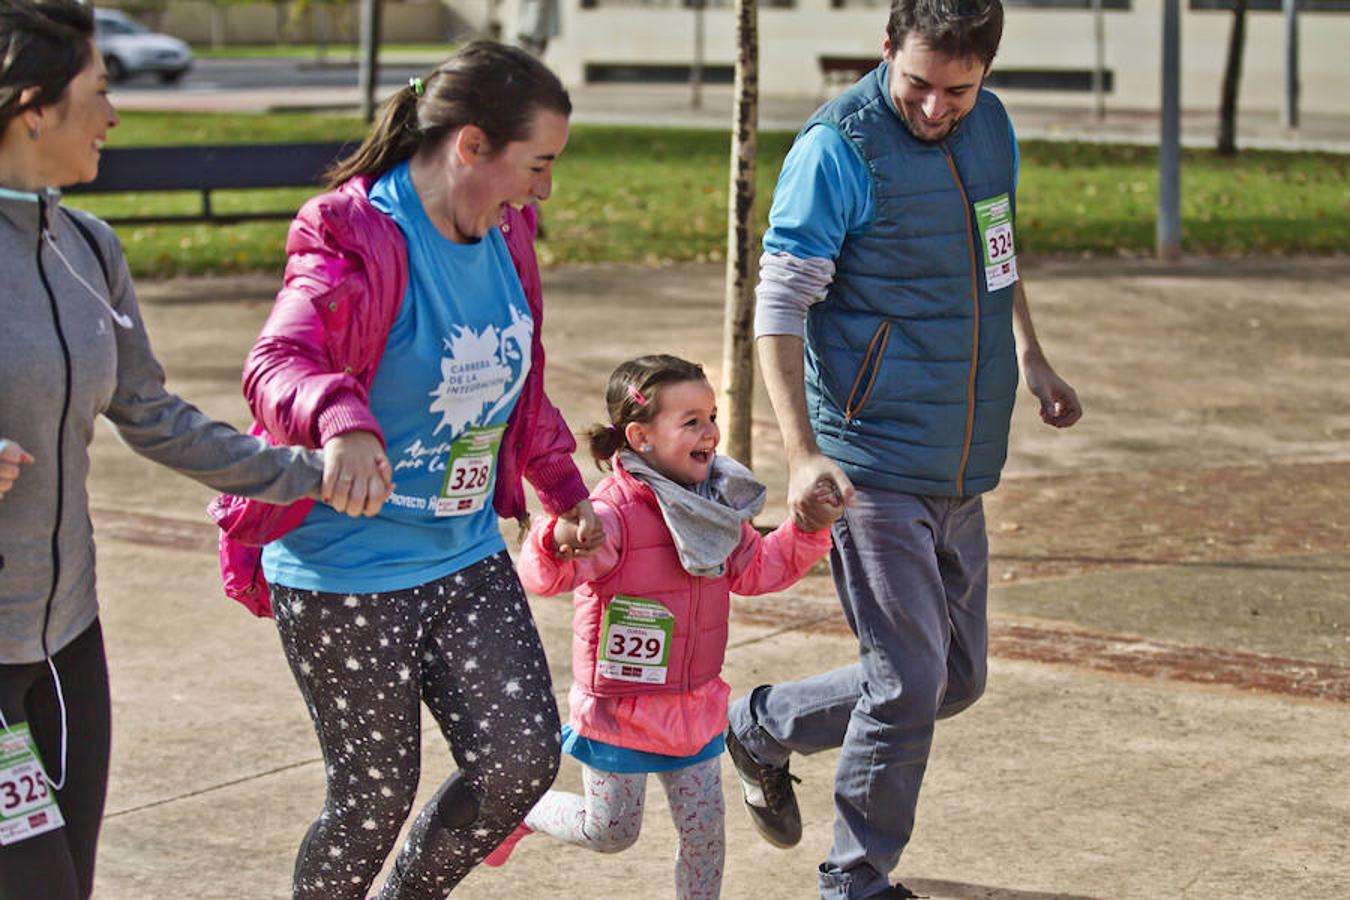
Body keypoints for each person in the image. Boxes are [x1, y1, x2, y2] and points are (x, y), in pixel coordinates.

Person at [722, 1, 1084, 898]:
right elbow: (779, 306)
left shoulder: (990, 127)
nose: (934, 107)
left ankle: (761, 726)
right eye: (917, 82)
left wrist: (1032, 356)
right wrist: (802, 454)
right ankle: (854, 877)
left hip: (960, 454)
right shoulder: (837, 149)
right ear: (887, 48)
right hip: (869, 459)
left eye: (958, 89)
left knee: (952, 678)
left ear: (988, 72)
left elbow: (994, 251)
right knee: (906, 676)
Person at [230, 41, 602, 900]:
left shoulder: (509, 232)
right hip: (343, 568)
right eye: (537, 164)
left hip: (461, 552)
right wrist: (341, 419)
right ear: (471, 146)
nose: (545, 188)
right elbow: (276, 360)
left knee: (519, 765)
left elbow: (521, 378)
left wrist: (566, 490)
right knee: (371, 800)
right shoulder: (351, 233)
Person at [0, 1, 336, 897]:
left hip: (66, 634)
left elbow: (152, 413)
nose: (114, 116)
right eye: (99, 94)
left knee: (68, 878)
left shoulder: (86, 247)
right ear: (34, 106)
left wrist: (310, 477)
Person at [481, 354, 837, 899]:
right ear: (640, 437)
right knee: (610, 832)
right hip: (620, 712)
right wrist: (555, 539)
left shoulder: (714, 506)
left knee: (705, 840)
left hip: (691, 709)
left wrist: (807, 530)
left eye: (711, 415)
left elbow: (756, 567)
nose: (711, 432)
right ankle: (523, 812)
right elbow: (543, 577)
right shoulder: (613, 513)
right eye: (691, 420)